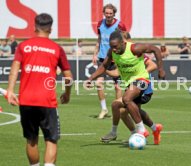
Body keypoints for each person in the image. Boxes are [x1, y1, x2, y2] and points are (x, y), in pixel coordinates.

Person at [6, 13, 72, 166]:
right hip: (47, 101)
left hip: (26, 100)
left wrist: (10, 90)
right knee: (51, 139)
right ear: (51, 29)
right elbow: (68, 77)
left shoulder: (23, 46)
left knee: (31, 138)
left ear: (35, 27)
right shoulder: (56, 48)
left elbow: (14, 68)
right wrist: (67, 94)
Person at [87, 30, 165, 137]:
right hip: (130, 84)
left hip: (142, 80)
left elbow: (155, 49)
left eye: (115, 46)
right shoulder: (112, 52)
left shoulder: (134, 48)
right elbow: (104, 66)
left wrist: (161, 70)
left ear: (122, 43)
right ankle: (155, 128)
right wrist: (91, 78)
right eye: (111, 47)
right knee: (119, 106)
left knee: (127, 99)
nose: (114, 49)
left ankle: (141, 131)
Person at [92, 3, 127, 119]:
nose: (108, 15)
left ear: (114, 14)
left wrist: (123, 55)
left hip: (116, 59)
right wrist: (94, 54)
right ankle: (104, 109)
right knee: (98, 84)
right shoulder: (100, 24)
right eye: (106, 13)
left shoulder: (120, 25)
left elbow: (125, 40)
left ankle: (117, 109)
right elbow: (99, 39)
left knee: (117, 87)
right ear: (104, 13)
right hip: (102, 58)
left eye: (110, 13)